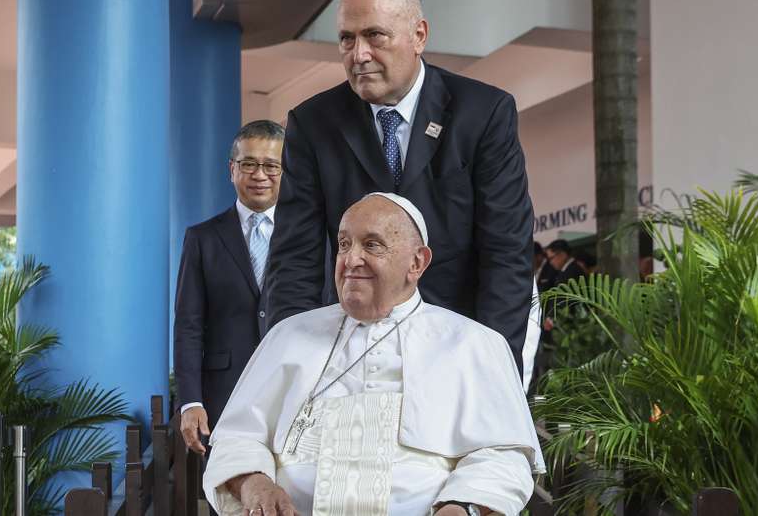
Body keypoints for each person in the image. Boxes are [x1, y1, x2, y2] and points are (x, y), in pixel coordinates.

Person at [266, 0, 534, 376]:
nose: (359, 54)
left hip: (456, 351)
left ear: (419, 35)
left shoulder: (483, 114)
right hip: (347, 360)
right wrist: (293, 368)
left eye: (375, 35)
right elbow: (294, 264)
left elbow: (505, 255)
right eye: (346, 38)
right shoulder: (311, 125)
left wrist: (491, 370)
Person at [205, 193, 545, 516]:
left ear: (417, 262)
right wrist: (254, 483)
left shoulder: (473, 344)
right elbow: (237, 437)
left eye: (372, 244)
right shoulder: (288, 336)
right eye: (343, 244)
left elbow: (504, 456)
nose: (351, 259)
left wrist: (462, 506)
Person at [173, 120, 285, 456]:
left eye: (271, 165)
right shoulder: (202, 238)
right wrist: (191, 400)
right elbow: (188, 325)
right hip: (223, 393)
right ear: (231, 170)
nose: (259, 175)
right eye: (248, 164)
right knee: (228, 497)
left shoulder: (309, 236)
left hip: (294, 390)